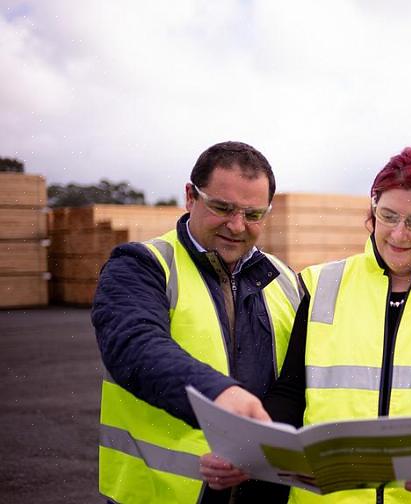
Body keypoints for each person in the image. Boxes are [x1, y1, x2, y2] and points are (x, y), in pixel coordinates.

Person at [199, 146, 411, 503]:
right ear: (373, 210)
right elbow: (291, 392)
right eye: (388, 216)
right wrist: (249, 448)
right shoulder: (322, 286)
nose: (398, 234)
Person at [92, 141, 301, 503]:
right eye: (222, 208)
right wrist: (218, 395)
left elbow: (297, 381)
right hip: (164, 494)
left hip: (262, 492)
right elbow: (134, 345)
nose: (237, 226)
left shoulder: (285, 280)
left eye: (253, 215)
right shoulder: (142, 265)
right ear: (190, 196)